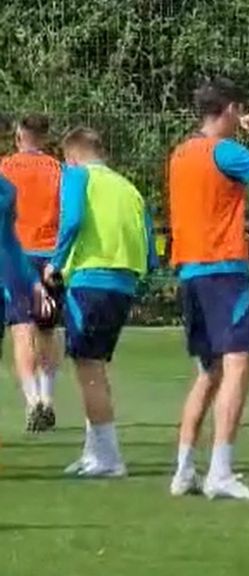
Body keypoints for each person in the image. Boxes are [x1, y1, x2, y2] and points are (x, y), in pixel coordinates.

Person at [167, 76, 249, 500]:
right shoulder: (226, 150)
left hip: (192, 271)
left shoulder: (181, 153)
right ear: (228, 110)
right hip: (224, 274)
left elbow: (202, 214)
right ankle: (220, 471)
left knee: (208, 372)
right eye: (239, 111)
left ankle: (184, 470)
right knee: (238, 364)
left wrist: (242, 238)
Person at [46, 128, 158, 478]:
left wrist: (56, 261)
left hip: (91, 278)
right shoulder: (129, 188)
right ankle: (94, 451)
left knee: (88, 368)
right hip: (123, 281)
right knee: (95, 365)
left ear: (73, 156)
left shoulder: (78, 175)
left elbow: (73, 219)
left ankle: (109, 458)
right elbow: (150, 239)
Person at [0, 114, 64, 432]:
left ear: (19, 136)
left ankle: (32, 399)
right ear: (46, 137)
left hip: (15, 256)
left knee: (21, 328)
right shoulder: (58, 170)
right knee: (47, 329)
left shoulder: (5, 168)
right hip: (51, 255)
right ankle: (49, 398)